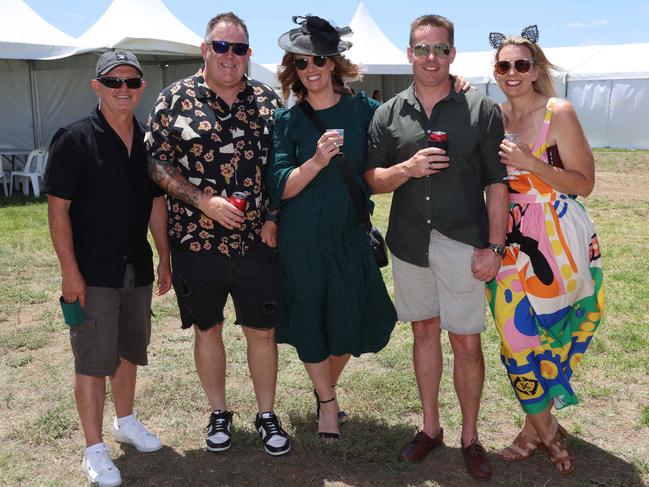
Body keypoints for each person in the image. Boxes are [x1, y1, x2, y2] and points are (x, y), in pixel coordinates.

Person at [365, 15, 509, 481]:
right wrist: (406, 168)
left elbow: (497, 182)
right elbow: (373, 179)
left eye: (441, 49)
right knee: (423, 333)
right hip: (410, 243)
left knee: (466, 341)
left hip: (463, 241)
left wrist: (495, 246)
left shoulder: (480, 109)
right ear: (409, 53)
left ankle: (470, 437)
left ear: (453, 53)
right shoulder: (387, 113)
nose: (432, 58)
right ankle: (430, 429)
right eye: (423, 49)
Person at [145, 12, 290, 457]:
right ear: (205, 49)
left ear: (249, 53)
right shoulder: (175, 99)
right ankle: (218, 413)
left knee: (261, 331)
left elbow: (282, 169)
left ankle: (266, 414)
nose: (231, 56)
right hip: (196, 240)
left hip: (257, 243)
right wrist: (200, 199)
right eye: (222, 46)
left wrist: (275, 216)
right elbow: (155, 163)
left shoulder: (268, 103)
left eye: (240, 48)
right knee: (207, 328)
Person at [266, 15, 398, 441]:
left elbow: (407, 123)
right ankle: (327, 403)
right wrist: (317, 161)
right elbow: (280, 185)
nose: (312, 70)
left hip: (349, 233)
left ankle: (326, 386)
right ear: (294, 70)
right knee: (309, 318)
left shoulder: (364, 111)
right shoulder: (288, 121)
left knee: (350, 316)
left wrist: (457, 86)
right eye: (302, 63)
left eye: (320, 60)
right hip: (301, 238)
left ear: (335, 62)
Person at [44, 49, 171, 487]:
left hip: (137, 266)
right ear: (97, 86)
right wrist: (69, 272)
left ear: (141, 89)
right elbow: (58, 210)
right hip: (93, 271)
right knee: (92, 360)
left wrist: (165, 257)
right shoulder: (74, 138)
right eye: (114, 81)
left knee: (128, 351)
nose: (124, 89)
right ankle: (94, 449)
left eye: (132, 82)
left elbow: (157, 203)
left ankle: (125, 421)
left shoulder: (147, 142)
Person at [486, 26, 604, 475]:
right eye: (503, 65)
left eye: (521, 64)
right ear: (494, 72)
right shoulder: (493, 116)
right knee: (515, 343)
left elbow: (584, 184)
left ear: (535, 69)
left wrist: (532, 164)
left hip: (558, 242)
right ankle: (549, 432)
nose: (512, 72)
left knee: (553, 339)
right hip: (508, 240)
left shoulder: (559, 112)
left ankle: (530, 429)